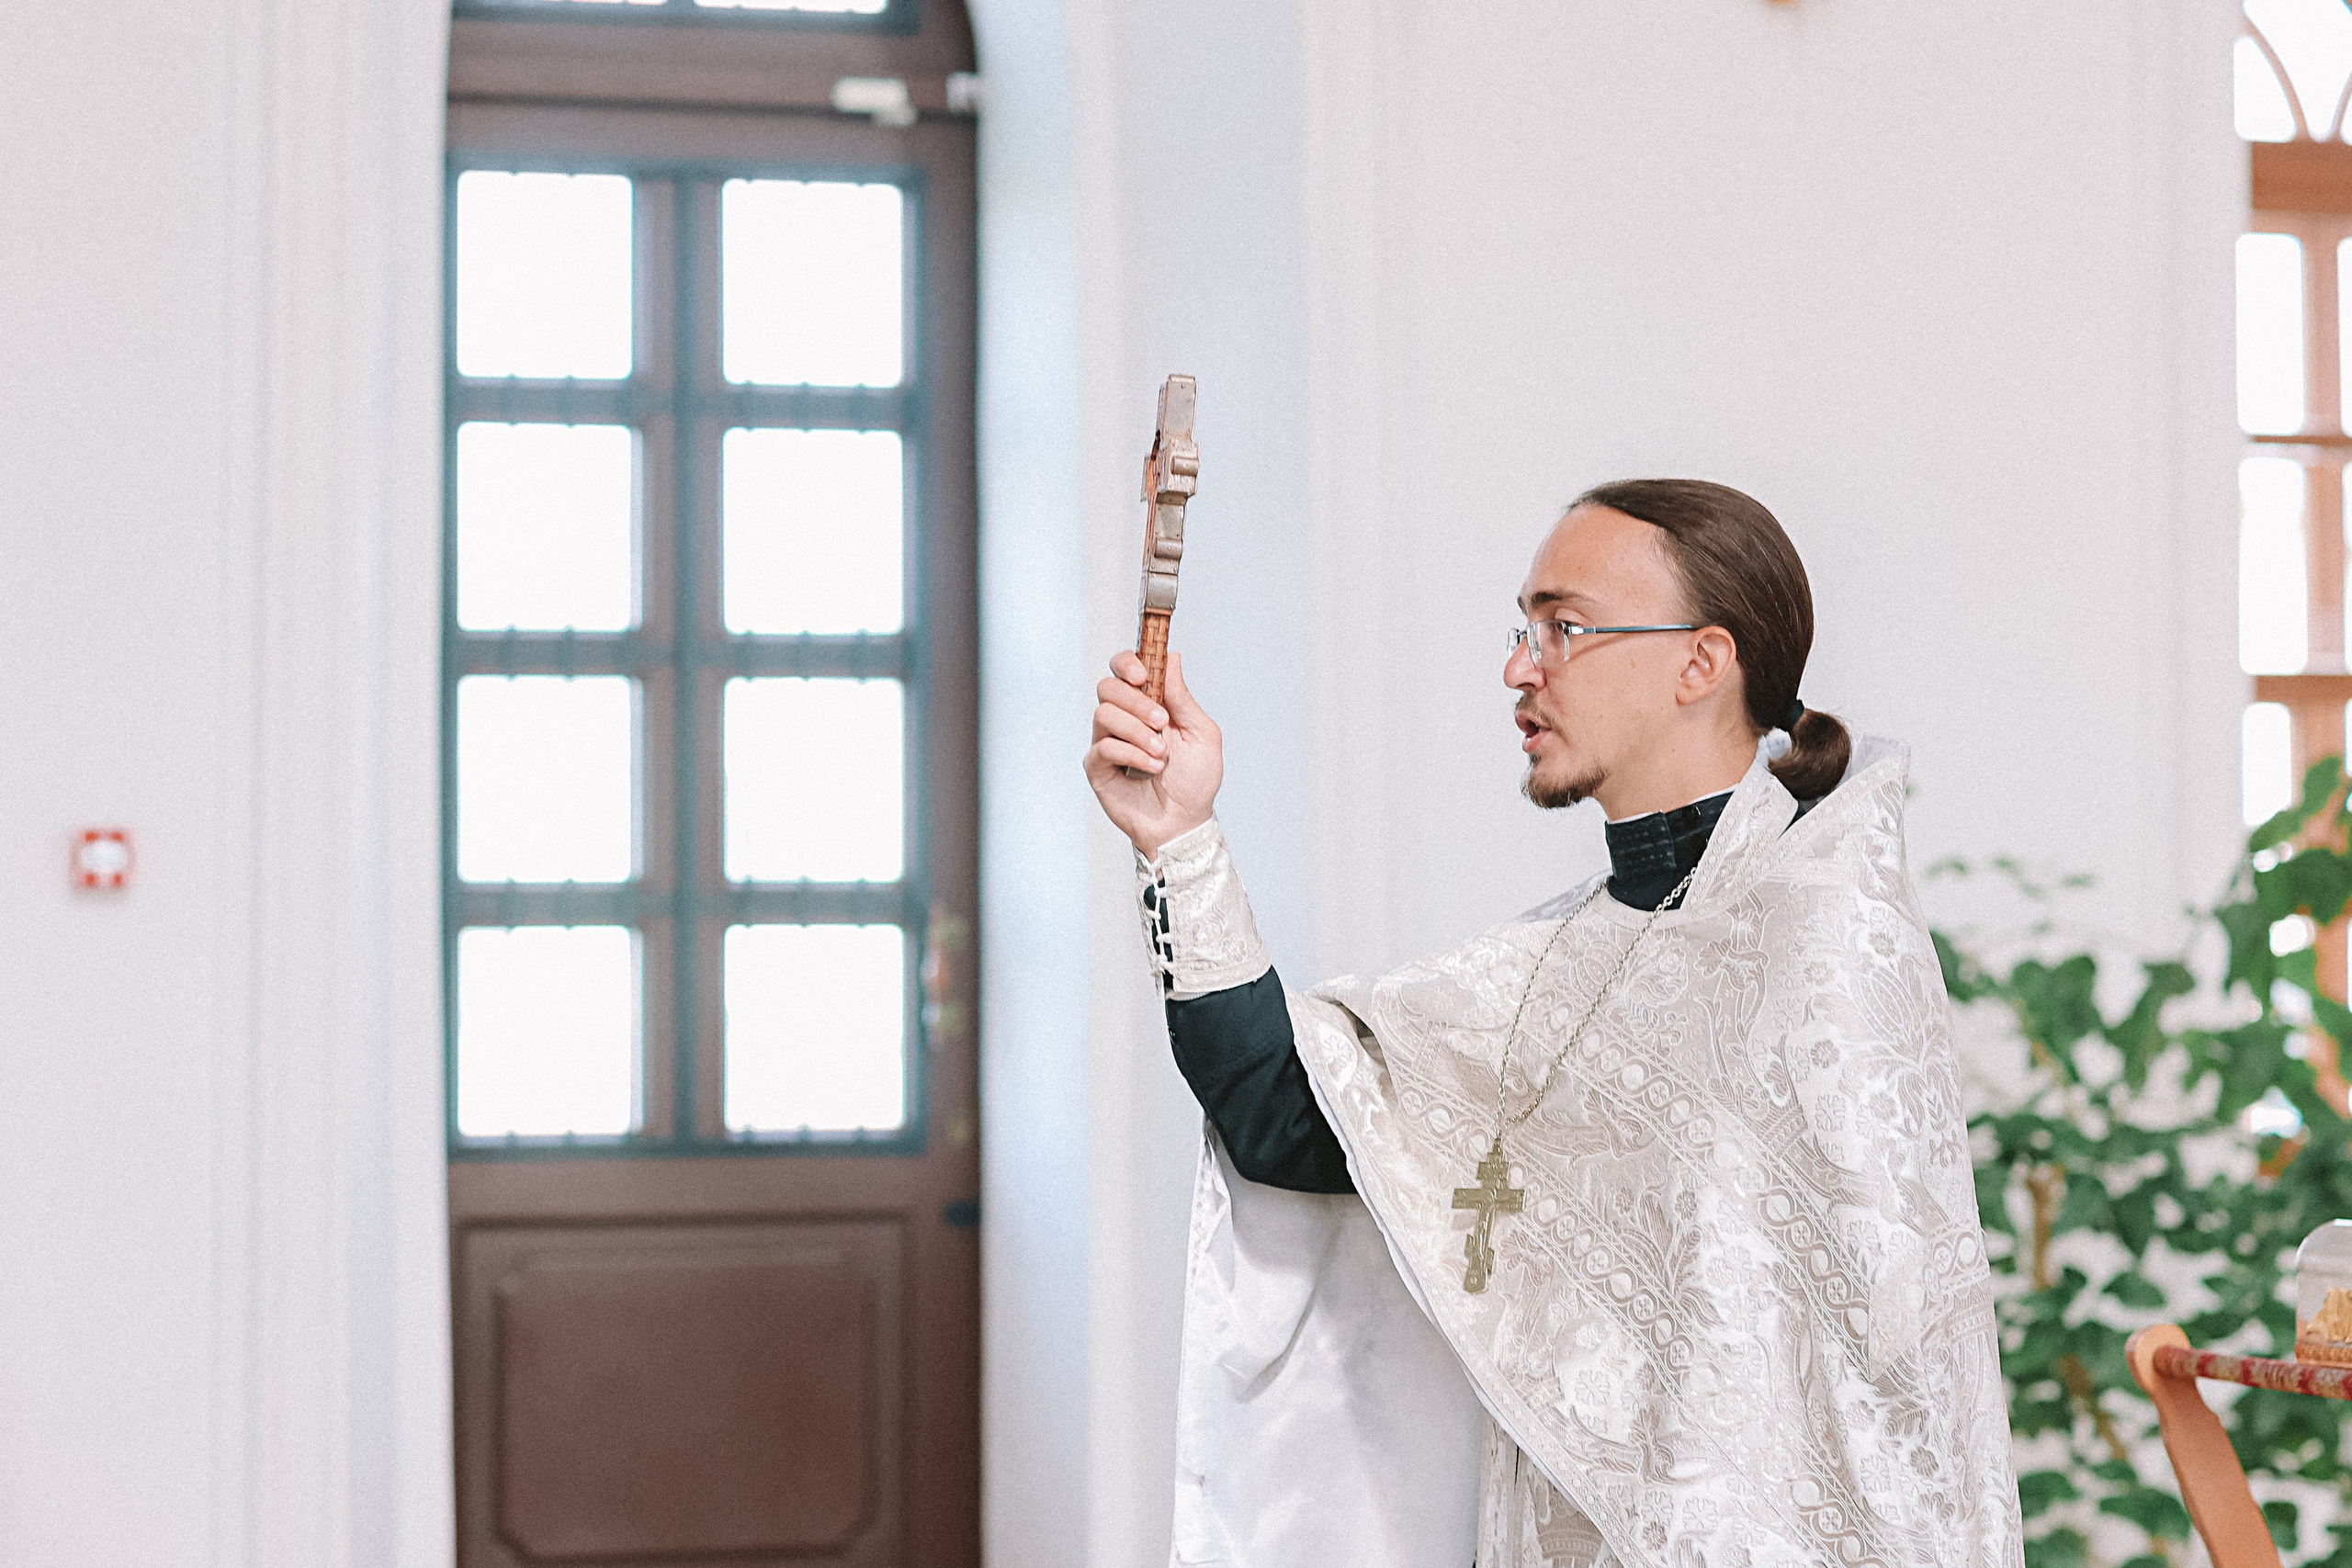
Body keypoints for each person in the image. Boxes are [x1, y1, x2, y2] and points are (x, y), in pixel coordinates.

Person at [1083, 479, 2020, 1568]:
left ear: (1699, 663)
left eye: (1562, 628)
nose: (1519, 668)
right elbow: (1285, 1123)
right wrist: (1180, 837)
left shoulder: (1825, 945)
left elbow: (1884, 1405)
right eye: (1523, 628)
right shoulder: (1552, 966)